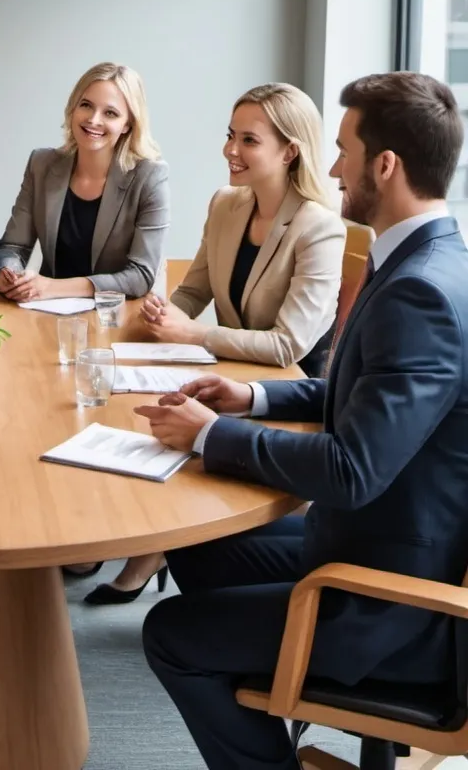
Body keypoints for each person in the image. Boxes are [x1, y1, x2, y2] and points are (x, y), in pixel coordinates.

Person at [133, 72, 468, 770]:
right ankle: (260, 673)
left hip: (391, 601)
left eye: (344, 149)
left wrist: (207, 435)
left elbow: (352, 470)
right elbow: (358, 394)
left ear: (386, 165)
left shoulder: (419, 293)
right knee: (197, 544)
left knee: (171, 633)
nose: (335, 166)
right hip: (367, 545)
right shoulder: (427, 261)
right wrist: (247, 399)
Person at [82, 83, 345, 606]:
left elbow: (288, 346)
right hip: (223, 373)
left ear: (289, 151)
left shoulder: (319, 228)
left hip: (285, 394)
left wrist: (194, 333)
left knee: (161, 419)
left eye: (249, 140)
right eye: (230, 135)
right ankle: (143, 537)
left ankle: (153, 544)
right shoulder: (226, 205)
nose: (230, 150)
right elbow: (194, 290)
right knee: (124, 406)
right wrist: (160, 313)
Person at [0, 62, 169, 303]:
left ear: (127, 124)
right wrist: (7, 273)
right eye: (86, 105)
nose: (94, 120)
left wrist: (54, 288)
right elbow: (13, 246)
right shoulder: (41, 164)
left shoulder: (150, 177)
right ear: (73, 108)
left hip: (115, 317)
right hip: (48, 316)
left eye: (110, 113)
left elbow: (140, 275)